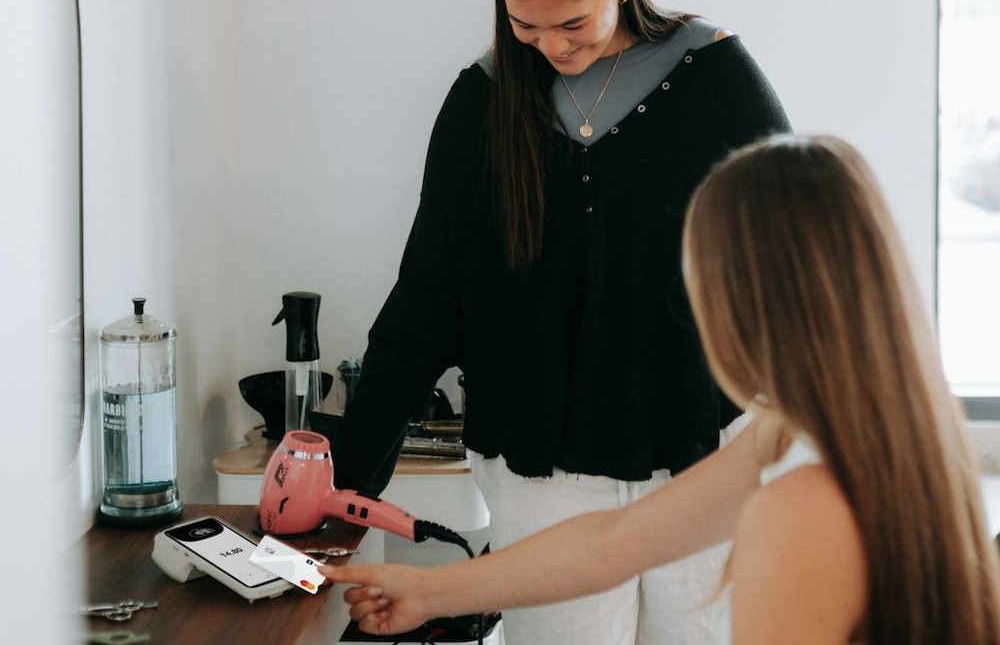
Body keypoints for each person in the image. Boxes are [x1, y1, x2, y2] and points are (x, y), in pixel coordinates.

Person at [331, 0, 790, 644]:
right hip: (540, 478)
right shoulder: (480, 106)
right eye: (526, 26)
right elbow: (423, 306)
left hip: (698, 460)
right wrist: (345, 484)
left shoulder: (717, 83)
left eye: (572, 22)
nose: (552, 46)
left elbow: (795, 263)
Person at [323, 134, 1000, 645]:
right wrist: (429, 590)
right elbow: (613, 542)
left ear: (749, 304)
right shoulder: (850, 434)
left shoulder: (802, 510)